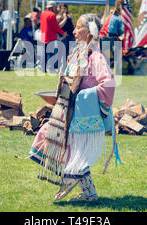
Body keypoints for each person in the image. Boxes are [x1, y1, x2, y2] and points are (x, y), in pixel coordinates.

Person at [29, 13, 117, 202]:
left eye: (78, 27)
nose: (74, 31)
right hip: (70, 112)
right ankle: (88, 193)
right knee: (57, 141)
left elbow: (108, 84)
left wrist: (85, 97)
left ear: (89, 31)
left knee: (71, 150)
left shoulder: (96, 57)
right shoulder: (79, 53)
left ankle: (75, 184)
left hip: (82, 115)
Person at [39, 1, 67, 71]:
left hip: (43, 35)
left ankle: (43, 68)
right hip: (50, 36)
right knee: (51, 52)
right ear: (52, 7)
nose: (55, 8)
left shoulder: (42, 14)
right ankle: (51, 67)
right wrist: (63, 33)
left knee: (44, 53)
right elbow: (56, 27)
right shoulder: (52, 15)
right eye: (55, 6)